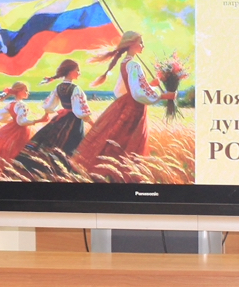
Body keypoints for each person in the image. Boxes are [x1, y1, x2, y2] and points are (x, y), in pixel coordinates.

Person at [72, 31, 174, 178]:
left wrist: (150, 85)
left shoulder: (125, 63)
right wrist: (163, 95)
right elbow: (138, 92)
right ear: (131, 44)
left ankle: (109, 173)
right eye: (140, 42)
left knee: (116, 140)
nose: (143, 45)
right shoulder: (133, 64)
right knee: (129, 142)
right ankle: (123, 176)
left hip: (125, 104)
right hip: (135, 109)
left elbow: (122, 89)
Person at [28, 59, 93, 157]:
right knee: (72, 147)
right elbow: (80, 111)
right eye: (77, 70)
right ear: (70, 72)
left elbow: (49, 105)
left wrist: (47, 113)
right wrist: (93, 124)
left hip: (61, 119)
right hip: (74, 121)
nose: (79, 73)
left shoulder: (58, 87)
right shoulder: (75, 89)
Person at [0, 82, 46, 162]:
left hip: (11, 128)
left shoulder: (11, 104)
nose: (28, 92)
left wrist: (11, 120)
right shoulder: (21, 105)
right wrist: (39, 120)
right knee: (20, 150)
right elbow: (21, 122)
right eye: (26, 90)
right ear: (19, 91)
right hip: (21, 131)